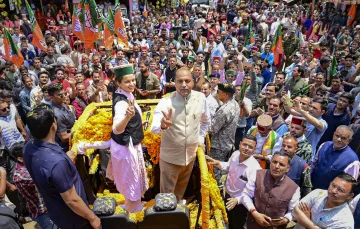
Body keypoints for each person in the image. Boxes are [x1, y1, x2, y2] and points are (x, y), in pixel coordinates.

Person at [24, 104, 101, 229]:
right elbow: (72, 200)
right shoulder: (57, 163)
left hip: (57, 212)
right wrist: (92, 218)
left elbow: (47, 171)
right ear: (54, 126)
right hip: (76, 218)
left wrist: (65, 158)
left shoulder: (28, 147)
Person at [151, 67, 210, 201]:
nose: (184, 85)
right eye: (180, 81)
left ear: (193, 82)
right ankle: (166, 220)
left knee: (180, 192)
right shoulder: (166, 102)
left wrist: (200, 139)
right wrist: (162, 125)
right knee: (166, 197)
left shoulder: (201, 98)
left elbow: (206, 122)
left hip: (190, 157)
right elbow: (154, 128)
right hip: (170, 158)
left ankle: (177, 217)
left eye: (187, 81)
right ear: (175, 83)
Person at [206, 135, 261, 229]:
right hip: (227, 195)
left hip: (240, 203)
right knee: (225, 220)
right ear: (240, 144)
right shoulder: (235, 154)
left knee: (236, 225)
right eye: (245, 145)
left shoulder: (255, 168)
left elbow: (251, 191)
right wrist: (218, 163)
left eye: (250, 147)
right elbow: (228, 166)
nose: (246, 149)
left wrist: (238, 200)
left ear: (254, 149)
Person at [240, 151, 300, 228]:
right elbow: (246, 195)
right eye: (274, 162)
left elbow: (293, 211)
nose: (277, 166)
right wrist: (254, 213)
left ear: (287, 168)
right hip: (252, 224)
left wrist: (286, 219)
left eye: (281, 164)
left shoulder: (294, 188)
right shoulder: (257, 174)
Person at [12, 143, 56, 229]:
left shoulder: (29, 164)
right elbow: (47, 178)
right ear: (20, 159)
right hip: (42, 212)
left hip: (48, 207)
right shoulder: (21, 175)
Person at [311, 125, 359, 190]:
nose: (339, 139)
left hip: (328, 194)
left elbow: (348, 185)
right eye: (337, 136)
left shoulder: (352, 160)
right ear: (333, 134)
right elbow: (313, 165)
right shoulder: (324, 145)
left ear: (349, 140)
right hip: (310, 186)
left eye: (343, 138)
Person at [209, 83, 239, 183]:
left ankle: (216, 195)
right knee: (221, 171)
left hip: (218, 146)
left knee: (214, 171)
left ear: (225, 94)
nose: (217, 94)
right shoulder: (235, 104)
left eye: (218, 92)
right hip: (227, 144)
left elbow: (212, 129)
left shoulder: (225, 109)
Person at [48, 83, 76, 151]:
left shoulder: (61, 103)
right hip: (65, 148)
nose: (64, 96)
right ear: (51, 97)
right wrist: (80, 130)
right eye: (60, 95)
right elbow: (64, 138)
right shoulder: (57, 114)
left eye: (65, 93)